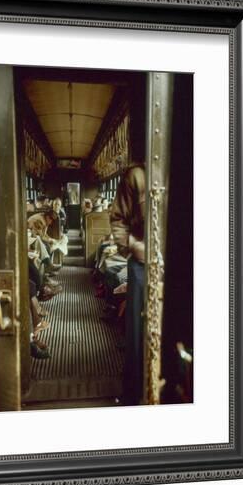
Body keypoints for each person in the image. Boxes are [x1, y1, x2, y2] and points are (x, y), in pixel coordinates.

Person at [109, 162, 146, 405]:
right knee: (137, 333)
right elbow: (118, 218)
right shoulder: (136, 175)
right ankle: (133, 395)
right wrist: (131, 246)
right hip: (142, 264)